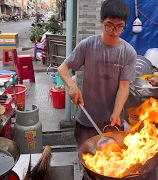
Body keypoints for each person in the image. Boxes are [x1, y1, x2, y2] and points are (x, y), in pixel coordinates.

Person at [58, 0, 136, 146]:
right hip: (86, 118)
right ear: (101, 22)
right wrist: (72, 86)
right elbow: (62, 68)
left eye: (119, 27)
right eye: (109, 26)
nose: (114, 31)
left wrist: (116, 113)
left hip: (112, 121)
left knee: (111, 160)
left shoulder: (129, 53)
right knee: (85, 157)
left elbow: (124, 86)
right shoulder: (88, 45)